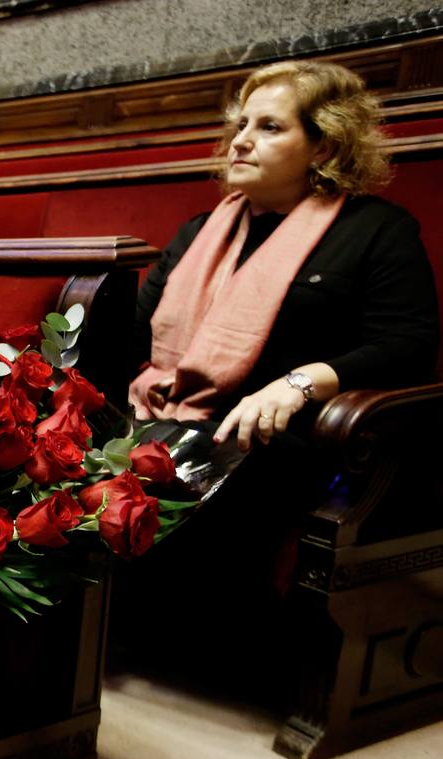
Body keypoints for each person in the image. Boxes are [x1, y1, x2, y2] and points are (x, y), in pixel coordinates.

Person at [116, 60, 439, 690]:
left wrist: (301, 381)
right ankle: (83, 636)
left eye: (268, 127)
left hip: (296, 439)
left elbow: (408, 344)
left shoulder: (374, 230)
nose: (239, 140)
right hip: (174, 415)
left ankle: (159, 641)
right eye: (241, 124)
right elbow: (135, 337)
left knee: (186, 465)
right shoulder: (198, 233)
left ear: (324, 143)